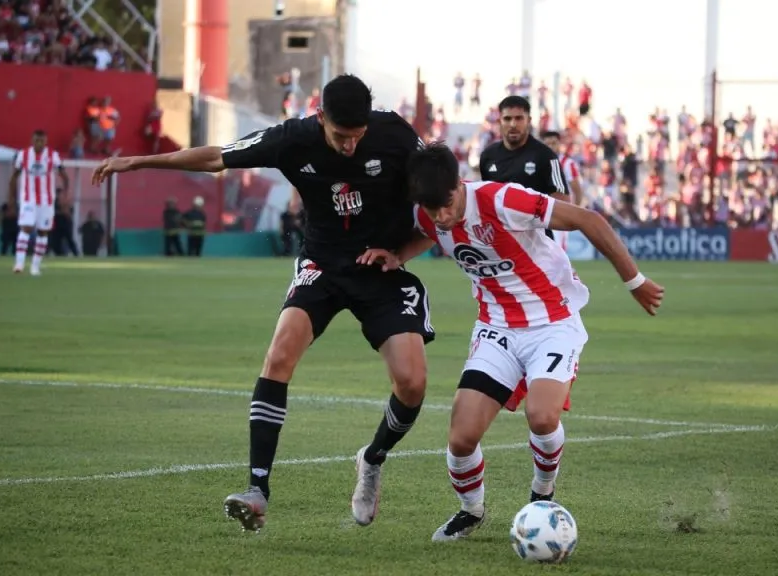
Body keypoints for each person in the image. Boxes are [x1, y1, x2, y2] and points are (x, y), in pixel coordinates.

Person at [91, 74, 435, 532]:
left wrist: (401, 253)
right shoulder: (292, 138)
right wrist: (138, 162)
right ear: (320, 118)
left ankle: (372, 459)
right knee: (279, 355)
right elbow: (216, 156)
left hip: (381, 269)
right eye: (339, 137)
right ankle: (257, 490)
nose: (349, 147)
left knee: (411, 383)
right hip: (322, 266)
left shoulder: (394, 134)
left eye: (357, 138)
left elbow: (440, 193)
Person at [357, 143, 664, 541]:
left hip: (552, 322)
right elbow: (429, 232)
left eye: (447, 205)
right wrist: (399, 255)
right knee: (461, 438)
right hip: (496, 329)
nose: (443, 217)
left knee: (541, 416)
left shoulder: (502, 200)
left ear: (459, 183)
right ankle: (471, 511)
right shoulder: (428, 213)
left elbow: (589, 220)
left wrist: (635, 282)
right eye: (433, 211)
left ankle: (543, 492)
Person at [480, 96, 570, 241]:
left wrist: (528, 214)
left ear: (529, 121)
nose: (513, 124)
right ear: (499, 121)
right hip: (501, 241)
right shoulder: (488, 156)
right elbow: (485, 198)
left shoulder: (546, 156)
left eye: (519, 118)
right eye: (507, 119)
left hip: (538, 243)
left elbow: (564, 200)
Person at [9, 129, 69, 275]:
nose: (39, 143)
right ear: (32, 140)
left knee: (43, 232)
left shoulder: (52, 156)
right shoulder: (23, 155)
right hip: (28, 199)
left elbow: (64, 176)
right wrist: (11, 199)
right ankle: (19, 264)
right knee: (26, 228)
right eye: (37, 140)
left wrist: (65, 197)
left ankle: (35, 266)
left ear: (46, 141)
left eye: (42, 140)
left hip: (47, 201)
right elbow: (14, 177)